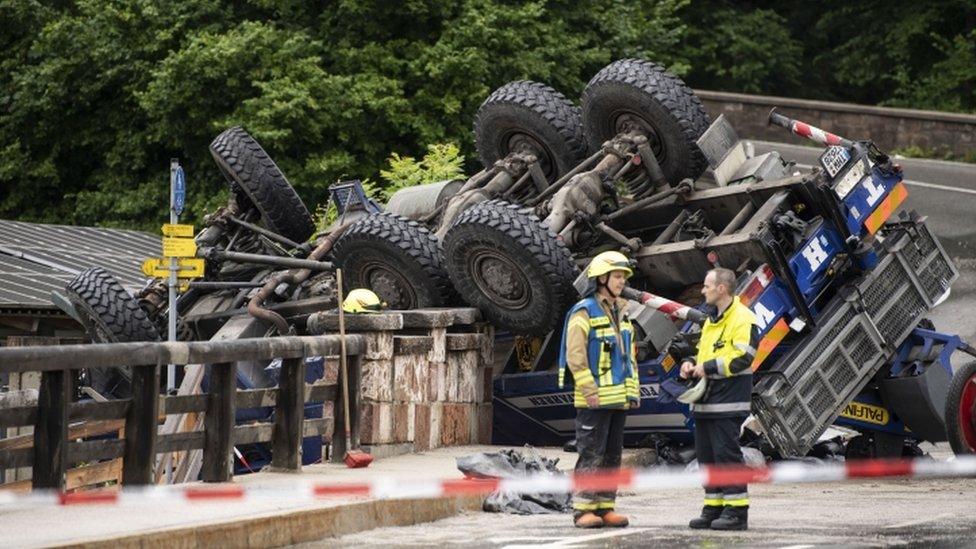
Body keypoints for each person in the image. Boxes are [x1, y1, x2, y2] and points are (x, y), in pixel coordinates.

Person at [557, 251, 640, 529]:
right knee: (592, 454)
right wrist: (588, 389)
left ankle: (605, 506)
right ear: (601, 278)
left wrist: (633, 391)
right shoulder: (584, 310)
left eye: (623, 277)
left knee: (613, 455)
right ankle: (583, 510)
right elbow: (575, 354)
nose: (621, 282)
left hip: (619, 398)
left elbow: (629, 357)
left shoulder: (622, 311)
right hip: (594, 399)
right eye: (617, 276)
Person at [680, 267, 759, 531]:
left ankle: (736, 513)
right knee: (708, 458)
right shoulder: (712, 321)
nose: (702, 291)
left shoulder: (743, 318)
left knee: (726, 456)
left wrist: (709, 367)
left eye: (706, 286)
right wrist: (690, 363)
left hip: (728, 402)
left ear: (721, 289)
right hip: (707, 401)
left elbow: (743, 357)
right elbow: (704, 354)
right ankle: (713, 507)